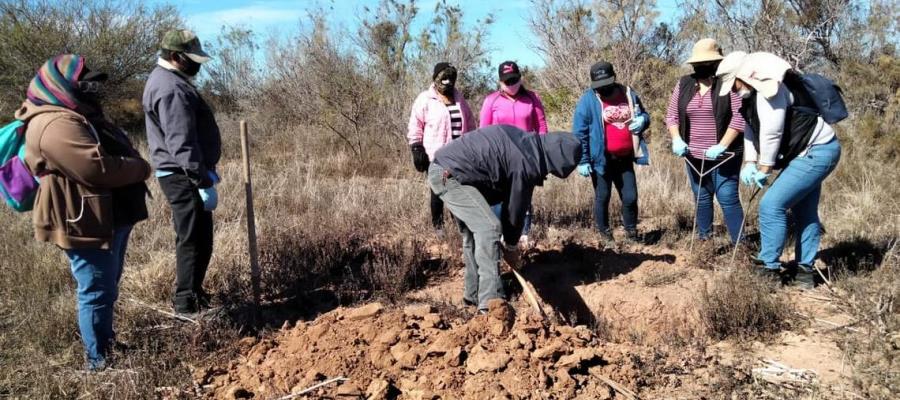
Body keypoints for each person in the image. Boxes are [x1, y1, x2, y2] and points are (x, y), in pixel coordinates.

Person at [16, 55, 151, 370]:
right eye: (85, 83)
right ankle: (99, 362)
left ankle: (106, 344)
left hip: (103, 217)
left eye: (93, 84)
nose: (92, 90)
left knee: (107, 285)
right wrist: (140, 167)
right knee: (95, 290)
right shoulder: (54, 122)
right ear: (59, 84)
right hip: (81, 220)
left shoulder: (76, 113)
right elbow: (95, 169)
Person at [716, 51, 842, 288]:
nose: (732, 90)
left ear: (742, 77)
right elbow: (751, 131)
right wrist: (750, 163)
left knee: (771, 205)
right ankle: (805, 272)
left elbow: (771, 132)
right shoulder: (749, 98)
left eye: (732, 84)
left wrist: (765, 168)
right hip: (807, 154)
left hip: (816, 151)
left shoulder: (769, 93)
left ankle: (768, 268)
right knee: (804, 210)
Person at [428, 126, 581, 312]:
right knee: (489, 228)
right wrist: (510, 246)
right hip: (450, 176)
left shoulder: (528, 146)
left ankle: (473, 297)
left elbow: (514, 204)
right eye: (551, 170)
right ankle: (490, 306)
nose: (548, 174)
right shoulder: (526, 163)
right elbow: (515, 208)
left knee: (474, 234)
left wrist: (510, 243)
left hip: (449, 170)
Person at [143, 29, 222, 315]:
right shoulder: (170, 88)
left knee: (201, 237)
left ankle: (195, 295)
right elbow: (180, 141)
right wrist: (201, 177)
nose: (198, 65)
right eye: (192, 59)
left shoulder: (172, 80)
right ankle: (186, 306)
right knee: (192, 240)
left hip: (185, 173)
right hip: (182, 176)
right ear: (175, 56)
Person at [665, 38, 746, 243]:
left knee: (727, 198)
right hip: (693, 155)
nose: (701, 66)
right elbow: (672, 115)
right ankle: (704, 241)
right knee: (701, 197)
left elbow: (739, 116)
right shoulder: (684, 84)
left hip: (725, 155)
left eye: (706, 63)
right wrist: (676, 139)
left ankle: (740, 244)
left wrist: (722, 145)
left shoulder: (727, 83)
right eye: (698, 63)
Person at [572, 61, 650, 243]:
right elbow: (579, 133)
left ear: (613, 78)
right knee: (603, 196)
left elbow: (644, 114)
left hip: (624, 158)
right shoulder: (588, 100)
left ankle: (631, 234)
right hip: (601, 160)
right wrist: (582, 160)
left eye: (605, 84)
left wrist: (643, 121)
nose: (602, 89)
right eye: (598, 86)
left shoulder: (628, 94)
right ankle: (605, 235)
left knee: (630, 197)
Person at [479, 61, 548, 248]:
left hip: (526, 157)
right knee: (499, 198)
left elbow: (541, 127)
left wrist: (542, 156)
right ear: (500, 82)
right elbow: (483, 132)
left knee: (524, 196)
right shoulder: (491, 100)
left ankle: (523, 234)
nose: (511, 85)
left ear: (520, 78)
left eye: (514, 80)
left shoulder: (532, 98)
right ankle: (500, 233)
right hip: (499, 159)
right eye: (507, 81)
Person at [408, 62, 476, 237]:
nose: (447, 81)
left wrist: (473, 146)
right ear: (436, 78)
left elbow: (469, 123)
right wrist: (416, 147)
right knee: (438, 191)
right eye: (443, 78)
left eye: (450, 78)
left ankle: (459, 225)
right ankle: (438, 227)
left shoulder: (459, 98)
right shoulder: (425, 99)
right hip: (435, 155)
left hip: (459, 155)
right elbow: (416, 124)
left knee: (458, 189)